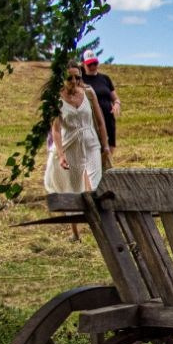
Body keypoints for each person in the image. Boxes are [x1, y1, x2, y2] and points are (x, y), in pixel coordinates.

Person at [45, 65, 111, 238]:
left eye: (77, 77)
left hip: (91, 144)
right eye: (70, 78)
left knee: (96, 185)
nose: (74, 81)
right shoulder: (56, 99)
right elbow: (56, 130)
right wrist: (60, 155)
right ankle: (75, 233)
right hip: (71, 145)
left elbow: (100, 121)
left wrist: (105, 146)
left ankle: (104, 229)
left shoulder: (89, 93)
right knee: (73, 189)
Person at [80, 49, 120, 150]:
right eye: (89, 64)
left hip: (108, 118)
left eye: (95, 63)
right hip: (91, 121)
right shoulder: (80, 80)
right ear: (83, 64)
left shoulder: (105, 78)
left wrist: (116, 104)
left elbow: (115, 98)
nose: (93, 67)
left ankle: (107, 165)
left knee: (110, 147)